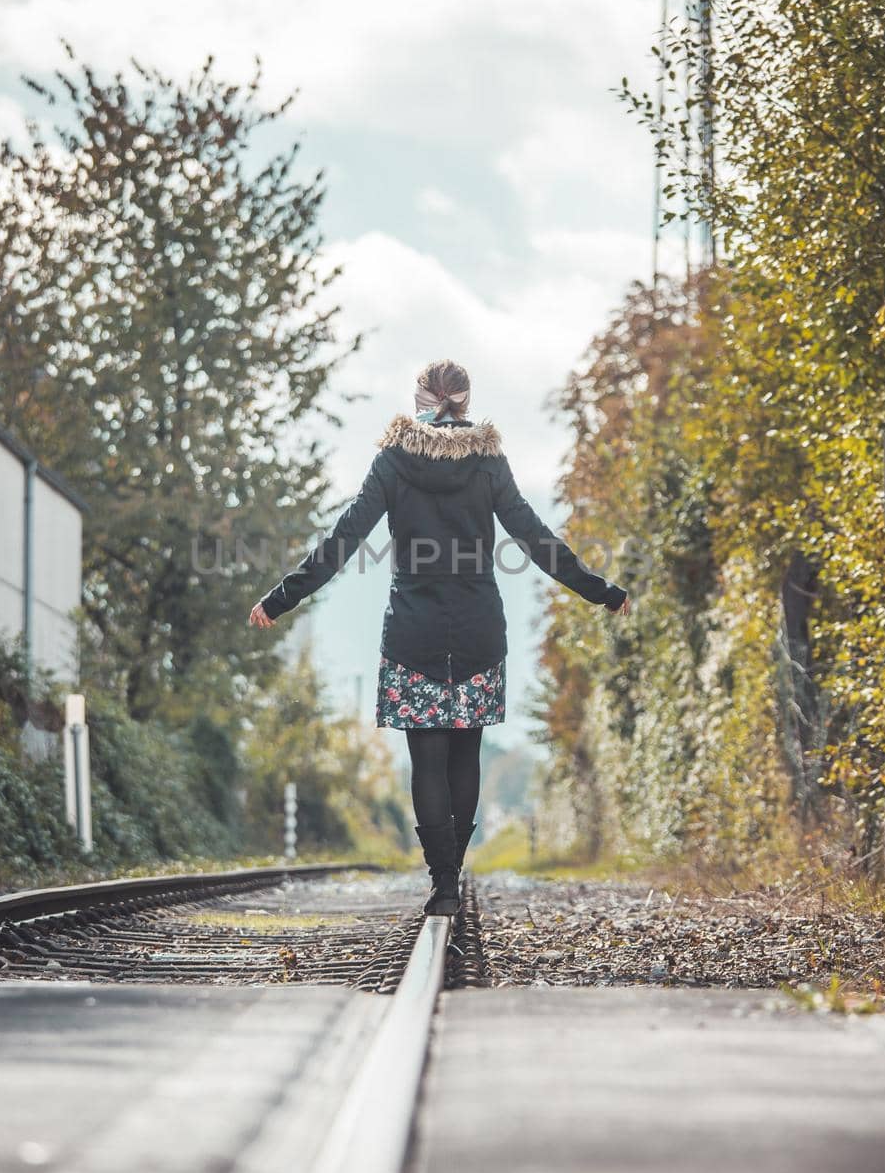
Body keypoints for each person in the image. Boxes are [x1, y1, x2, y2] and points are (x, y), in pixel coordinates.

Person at [249, 359, 630, 917]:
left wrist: (282, 597)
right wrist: (601, 590)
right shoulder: (488, 460)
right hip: (478, 628)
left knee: (426, 759)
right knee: (465, 753)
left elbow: (344, 539)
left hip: (412, 632)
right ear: (467, 401)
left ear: (423, 397)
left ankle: (444, 882)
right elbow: (534, 537)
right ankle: (453, 871)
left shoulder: (392, 460)